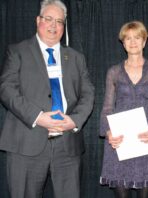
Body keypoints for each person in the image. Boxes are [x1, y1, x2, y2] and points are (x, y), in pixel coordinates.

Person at [0, 0, 95, 197]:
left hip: (68, 145)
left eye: (59, 21)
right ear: (38, 20)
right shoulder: (18, 51)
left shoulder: (76, 57)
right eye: (48, 19)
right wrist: (38, 117)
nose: (54, 25)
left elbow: (88, 93)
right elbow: (6, 89)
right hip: (26, 143)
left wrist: (74, 120)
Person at [99, 21, 148, 198]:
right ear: (123, 43)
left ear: (144, 41)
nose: (133, 42)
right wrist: (109, 134)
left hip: (147, 141)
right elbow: (107, 109)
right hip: (120, 143)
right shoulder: (113, 72)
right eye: (128, 38)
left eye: (137, 37)